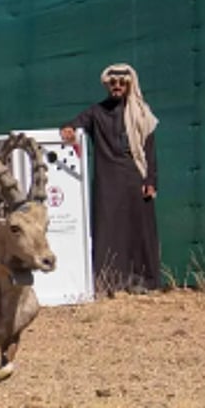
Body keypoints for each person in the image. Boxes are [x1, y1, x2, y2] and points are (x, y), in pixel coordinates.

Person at [61, 63, 161, 293]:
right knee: (109, 229)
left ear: (129, 85)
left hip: (136, 177)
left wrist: (150, 180)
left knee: (139, 230)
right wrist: (68, 129)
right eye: (113, 83)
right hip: (108, 180)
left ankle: (143, 281)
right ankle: (109, 282)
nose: (117, 86)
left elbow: (149, 151)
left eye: (122, 83)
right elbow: (74, 125)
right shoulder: (97, 112)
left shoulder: (142, 114)